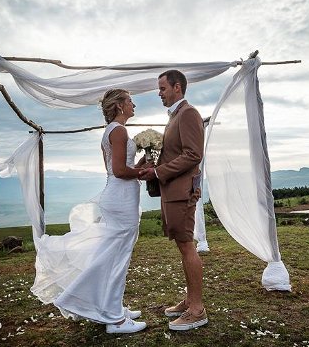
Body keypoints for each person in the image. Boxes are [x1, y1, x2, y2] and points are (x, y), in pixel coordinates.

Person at [31, 89, 147, 334]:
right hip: (121, 196)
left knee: (116, 256)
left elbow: (121, 168)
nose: (133, 104)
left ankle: (111, 306)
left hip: (119, 194)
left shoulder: (110, 132)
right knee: (117, 258)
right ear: (118, 106)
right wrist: (145, 172)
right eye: (129, 101)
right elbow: (119, 171)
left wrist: (140, 164)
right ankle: (114, 320)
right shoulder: (119, 130)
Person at [138, 69, 208, 330]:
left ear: (177, 87)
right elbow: (174, 154)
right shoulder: (173, 117)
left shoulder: (188, 114)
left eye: (162, 88)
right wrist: (150, 162)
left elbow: (193, 155)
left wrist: (157, 171)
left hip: (182, 193)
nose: (159, 93)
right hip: (171, 192)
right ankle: (190, 300)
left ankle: (198, 309)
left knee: (187, 246)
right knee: (182, 246)